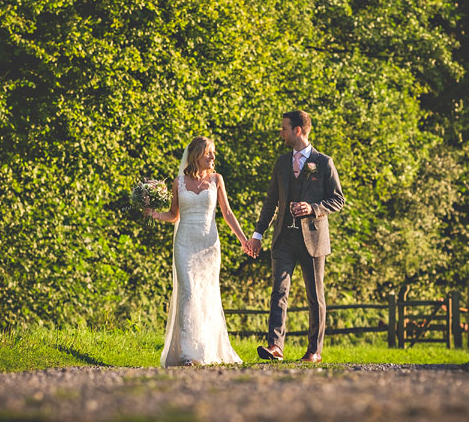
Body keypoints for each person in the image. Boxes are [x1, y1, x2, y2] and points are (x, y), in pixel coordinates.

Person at [246, 110, 345, 363]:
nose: (281, 133)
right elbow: (270, 201)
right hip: (283, 239)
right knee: (279, 291)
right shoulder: (281, 163)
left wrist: (313, 208)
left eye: (284, 128)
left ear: (298, 130)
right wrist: (258, 234)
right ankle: (275, 346)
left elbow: (338, 200)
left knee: (315, 295)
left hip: (313, 239)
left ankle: (314, 351)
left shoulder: (323, 162)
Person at [146, 136, 250, 367]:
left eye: (213, 153)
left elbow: (227, 213)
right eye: (208, 153)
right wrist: (154, 214)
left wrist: (244, 240)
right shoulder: (178, 182)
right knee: (189, 293)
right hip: (184, 243)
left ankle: (205, 347)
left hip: (208, 245)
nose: (213, 157)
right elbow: (174, 215)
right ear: (196, 156)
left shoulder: (217, 179)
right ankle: (187, 353)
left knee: (206, 294)